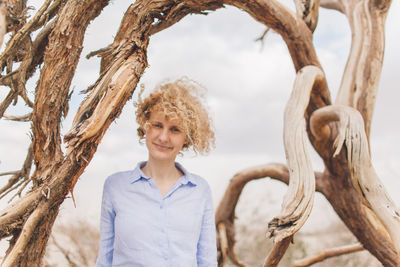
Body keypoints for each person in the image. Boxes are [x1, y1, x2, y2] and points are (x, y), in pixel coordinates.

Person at [96, 77, 217, 267]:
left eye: (175, 129)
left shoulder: (200, 190)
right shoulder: (115, 186)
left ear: (187, 138)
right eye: (157, 125)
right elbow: (105, 258)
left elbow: (207, 260)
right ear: (145, 126)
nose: (163, 137)